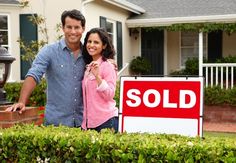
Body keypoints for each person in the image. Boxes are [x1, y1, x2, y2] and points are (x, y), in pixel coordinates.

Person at [5, 9, 86, 127]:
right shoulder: (49, 51)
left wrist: (109, 61)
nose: (73, 31)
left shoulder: (89, 54)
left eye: (77, 27)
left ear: (83, 29)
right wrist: (22, 101)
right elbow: (34, 74)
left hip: (83, 122)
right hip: (56, 124)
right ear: (63, 28)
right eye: (69, 27)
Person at [81, 28, 118, 132]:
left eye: (96, 42)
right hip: (89, 123)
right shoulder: (88, 67)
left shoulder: (108, 66)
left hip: (106, 121)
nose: (91, 45)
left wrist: (98, 77)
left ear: (104, 45)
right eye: (89, 41)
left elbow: (110, 94)